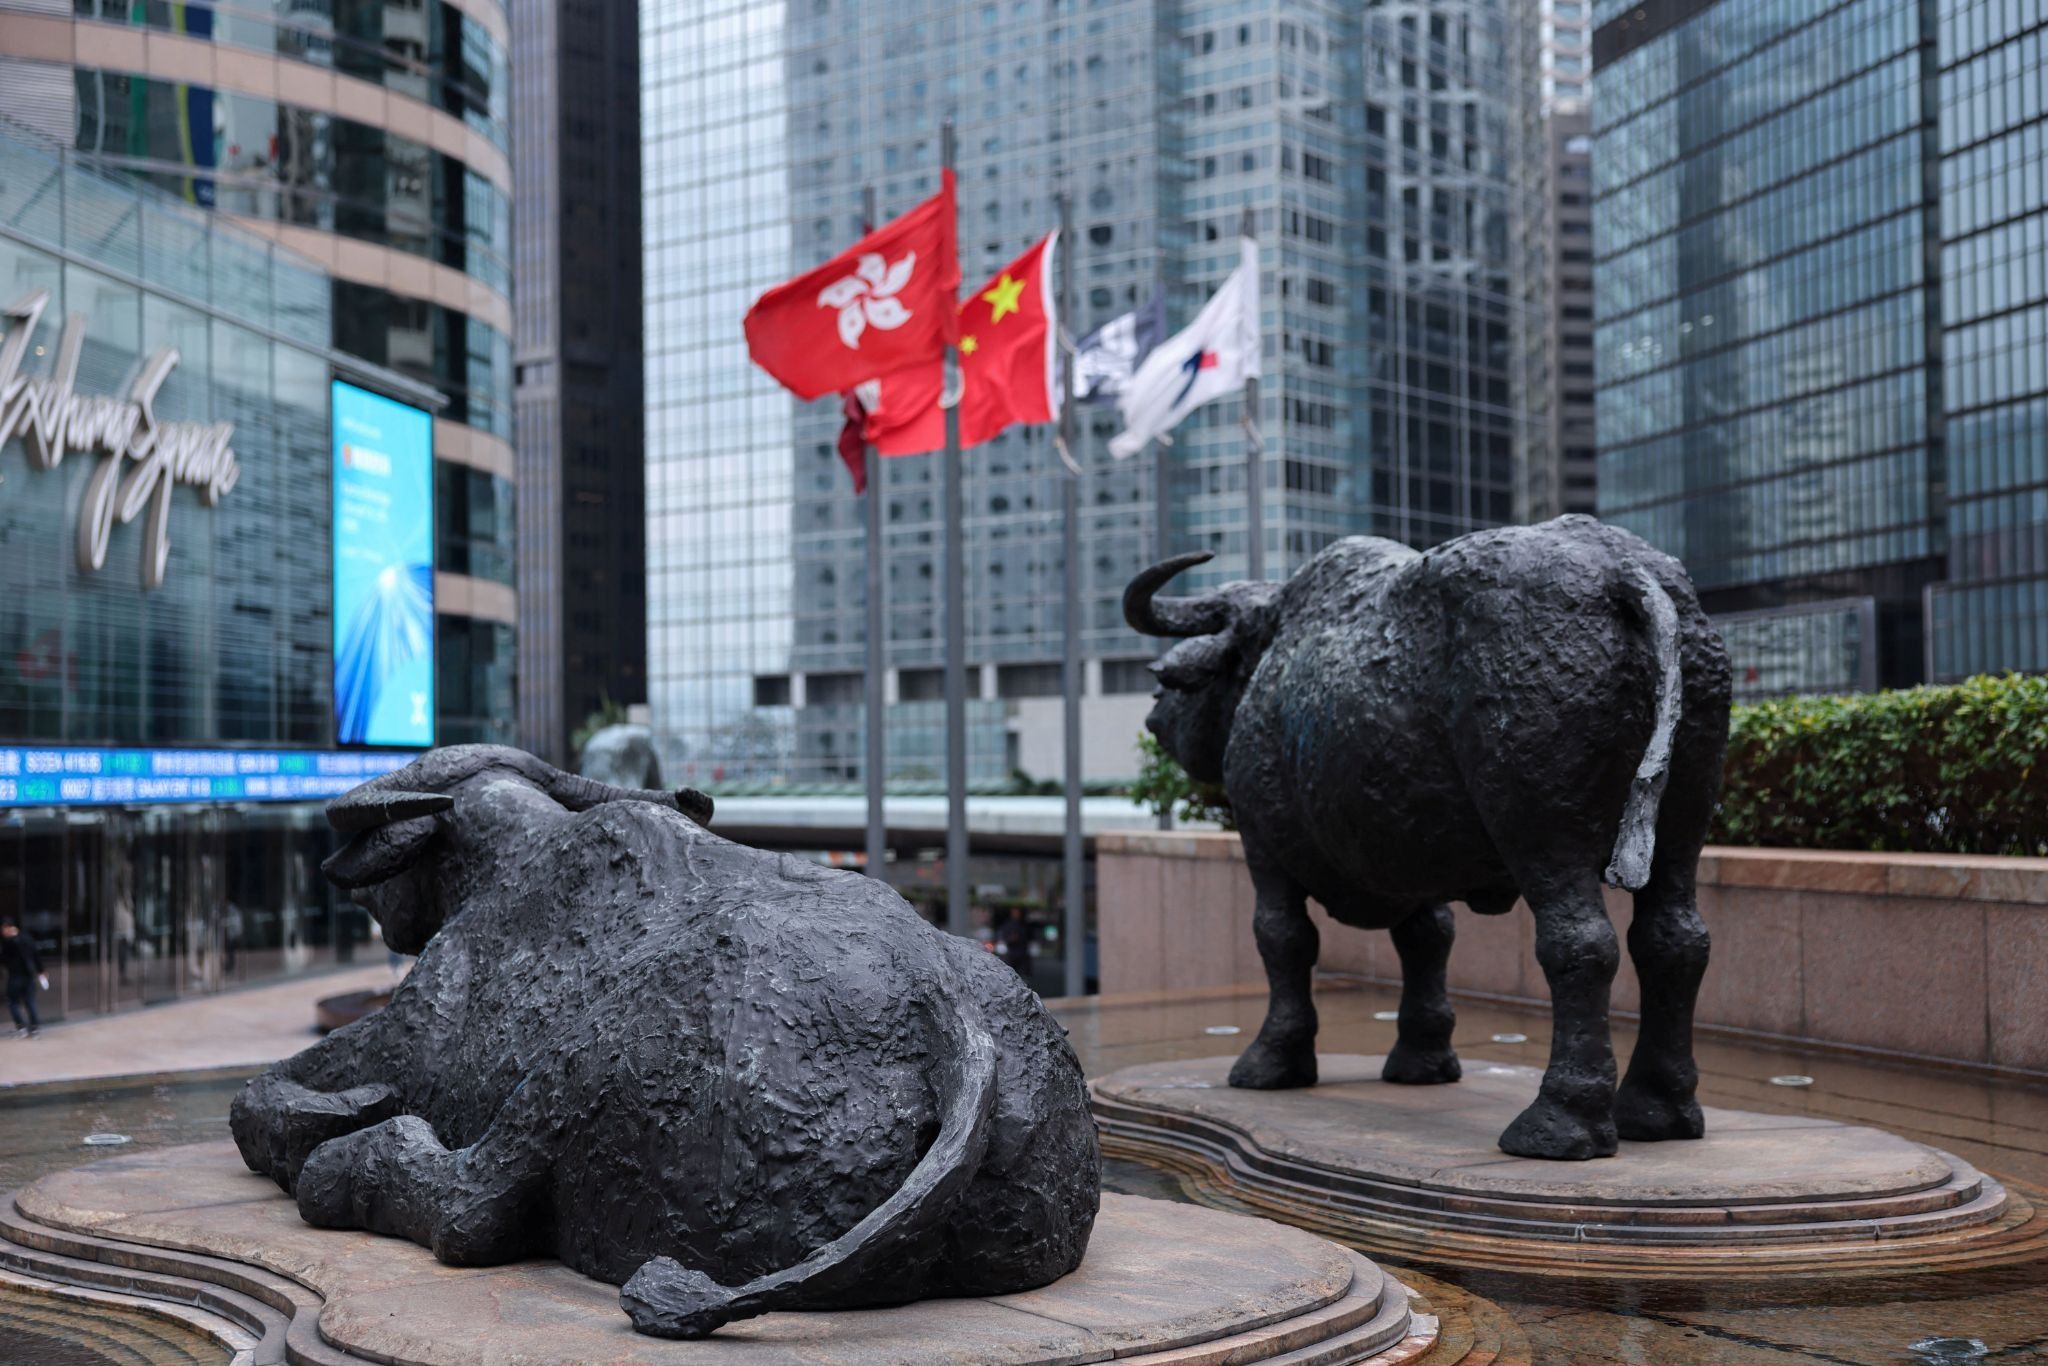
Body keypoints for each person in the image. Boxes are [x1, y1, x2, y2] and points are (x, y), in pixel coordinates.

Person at [2, 919, 48, 1038]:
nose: (2, 933)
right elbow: (35, 955)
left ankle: (21, 1027)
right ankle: (34, 1028)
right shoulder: (27, 938)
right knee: (30, 1002)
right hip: (29, 975)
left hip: (16, 976)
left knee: (13, 1001)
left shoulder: (9, 942)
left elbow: (4, 958)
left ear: (8, 928)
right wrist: (41, 970)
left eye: (3, 930)